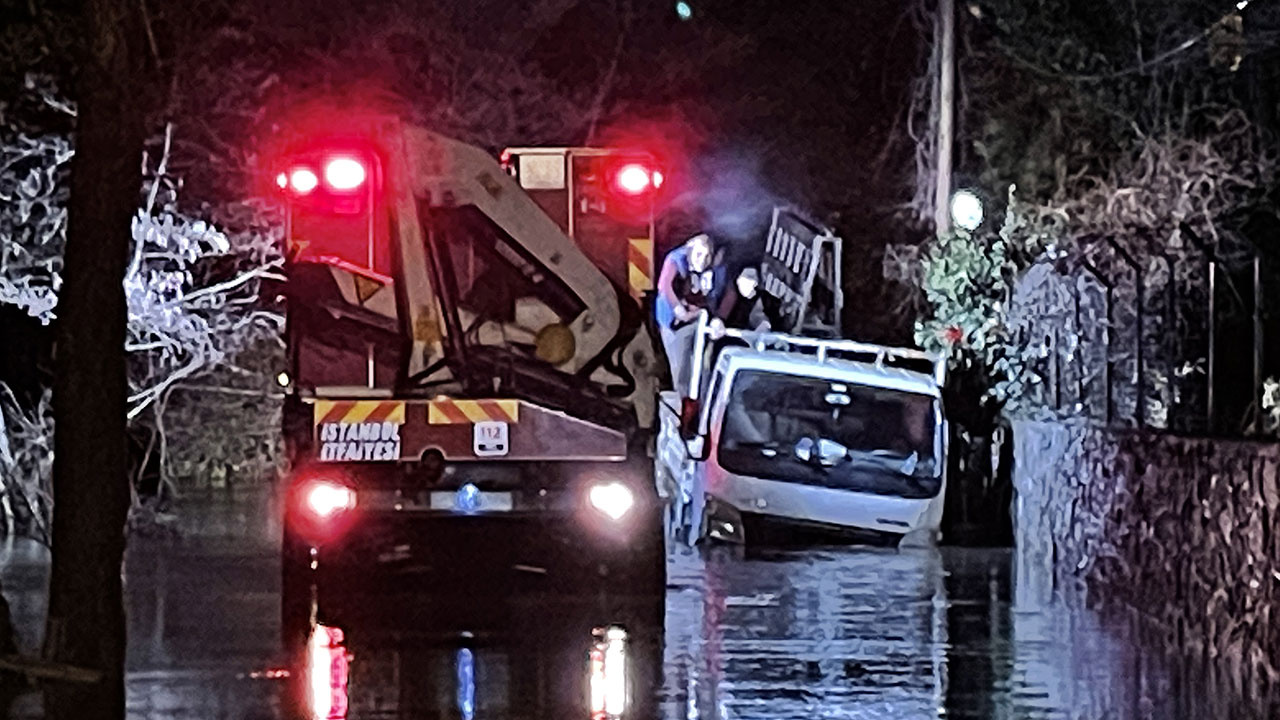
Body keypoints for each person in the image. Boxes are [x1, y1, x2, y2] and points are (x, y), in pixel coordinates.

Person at [654, 233, 727, 395]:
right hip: (675, 324)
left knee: (704, 366)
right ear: (690, 252)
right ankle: (684, 404)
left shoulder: (717, 265)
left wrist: (719, 318)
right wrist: (677, 308)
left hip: (702, 318)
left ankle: (703, 403)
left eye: (707, 256)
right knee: (681, 369)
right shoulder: (675, 260)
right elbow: (665, 285)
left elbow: (728, 291)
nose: (702, 260)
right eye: (699, 255)